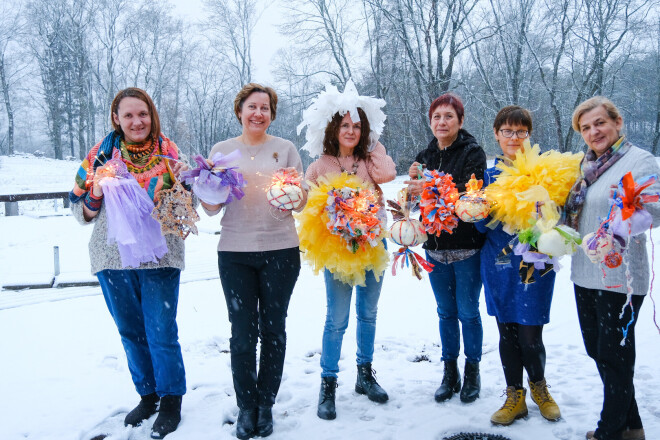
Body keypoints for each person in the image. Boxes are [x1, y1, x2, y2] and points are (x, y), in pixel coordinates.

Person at [69, 88, 189, 439]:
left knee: (161, 331)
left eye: (143, 114)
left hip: (161, 256)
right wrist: (97, 190)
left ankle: (171, 400)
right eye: (129, 115)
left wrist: (185, 182)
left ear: (152, 116)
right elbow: (82, 212)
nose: (137, 122)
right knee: (130, 332)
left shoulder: (170, 156)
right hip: (113, 258)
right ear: (116, 119)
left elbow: (186, 207)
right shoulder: (99, 158)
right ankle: (148, 395)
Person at [201, 83, 305, 440]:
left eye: (265, 108)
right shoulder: (222, 150)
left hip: (281, 251)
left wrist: (293, 195)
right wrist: (208, 190)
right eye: (252, 107)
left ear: (272, 114)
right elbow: (212, 206)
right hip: (235, 253)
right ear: (240, 111)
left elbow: (302, 197)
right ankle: (247, 406)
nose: (258, 113)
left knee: (273, 330)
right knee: (242, 334)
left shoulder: (285, 149)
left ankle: (266, 405)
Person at [564, 96, 660, 440]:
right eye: (586, 127)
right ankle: (632, 428)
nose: (594, 131)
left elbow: (656, 207)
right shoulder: (587, 165)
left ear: (617, 123)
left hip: (620, 276)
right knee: (598, 352)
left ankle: (610, 431)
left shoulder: (640, 160)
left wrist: (625, 220)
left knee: (615, 357)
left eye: (600, 123)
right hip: (584, 273)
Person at [301, 81, 397, 421]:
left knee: (368, 314)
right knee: (336, 320)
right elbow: (307, 207)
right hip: (337, 252)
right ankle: (328, 385)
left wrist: (373, 146)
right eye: (345, 125)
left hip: (372, 247)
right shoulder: (319, 165)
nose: (351, 131)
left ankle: (365, 375)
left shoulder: (369, 160)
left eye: (357, 126)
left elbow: (388, 173)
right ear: (334, 127)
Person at [475, 106, 561, 425]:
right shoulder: (488, 175)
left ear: (529, 135)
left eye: (521, 131)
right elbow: (481, 226)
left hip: (536, 262)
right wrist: (483, 209)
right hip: (498, 262)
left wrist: (546, 213)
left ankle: (539, 388)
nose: (514, 137)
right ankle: (515, 395)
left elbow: (558, 218)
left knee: (530, 332)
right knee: (507, 331)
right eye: (507, 131)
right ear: (496, 135)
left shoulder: (545, 171)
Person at [405, 93, 487, 403]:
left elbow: (469, 194)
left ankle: (472, 371)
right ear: (430, 121)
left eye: (448, 116)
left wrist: (426, 186)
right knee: (445, 313)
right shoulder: (424, 156)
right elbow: (416, 203)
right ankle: (449, 371)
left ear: (460, 121)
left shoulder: (473, 153)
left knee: (468, 313)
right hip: (434, 249)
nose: (442, 122)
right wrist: (410, 193)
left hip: (467, 248)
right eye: (437, 117)